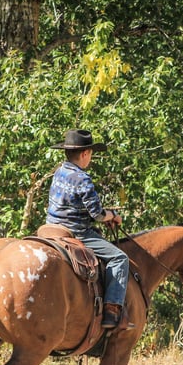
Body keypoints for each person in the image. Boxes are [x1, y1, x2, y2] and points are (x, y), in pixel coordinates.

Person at [46, 129, 130, 329]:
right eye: (91, 153)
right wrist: (113, 216)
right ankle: (111, 310)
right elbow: (97, 214)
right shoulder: (82, 178)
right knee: (120, 258)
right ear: (84, 154)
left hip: (51, 226)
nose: (90, 158)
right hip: (76, 231)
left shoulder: (60, 171)